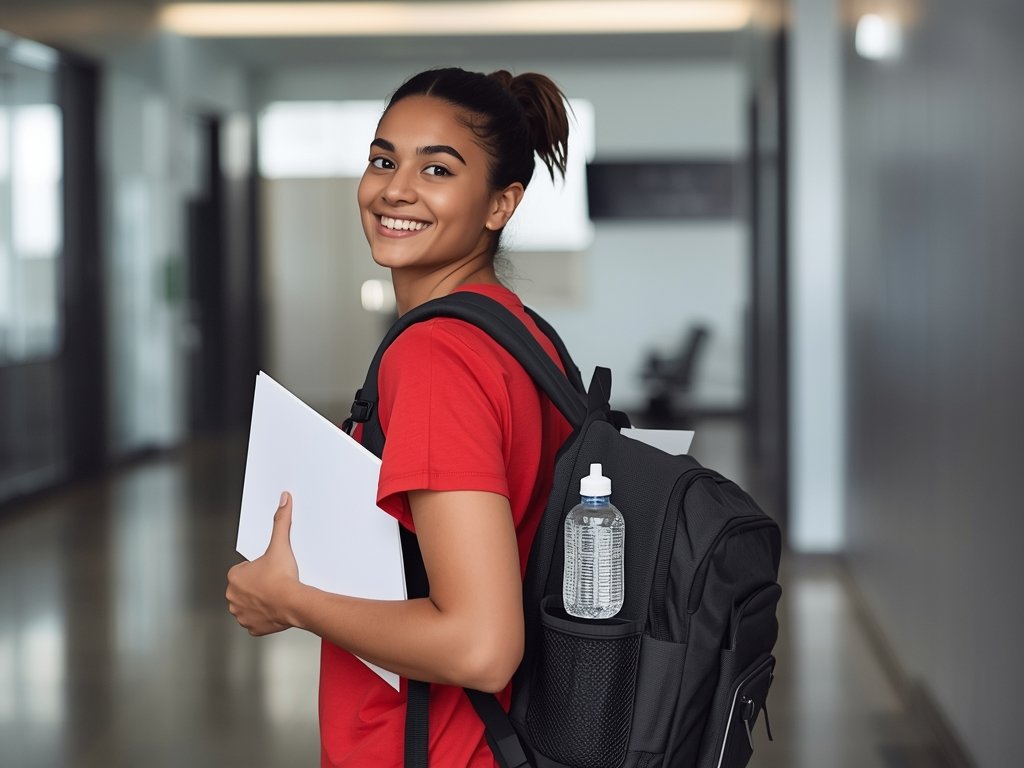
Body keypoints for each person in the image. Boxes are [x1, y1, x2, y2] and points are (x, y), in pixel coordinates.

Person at [226, 67, 575, 767]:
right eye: (383, 159)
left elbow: (481, 645)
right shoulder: (523, 335)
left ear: (501, 204)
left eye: (437, 169)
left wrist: (291, 600)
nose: (395, 189)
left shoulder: (436, 357)